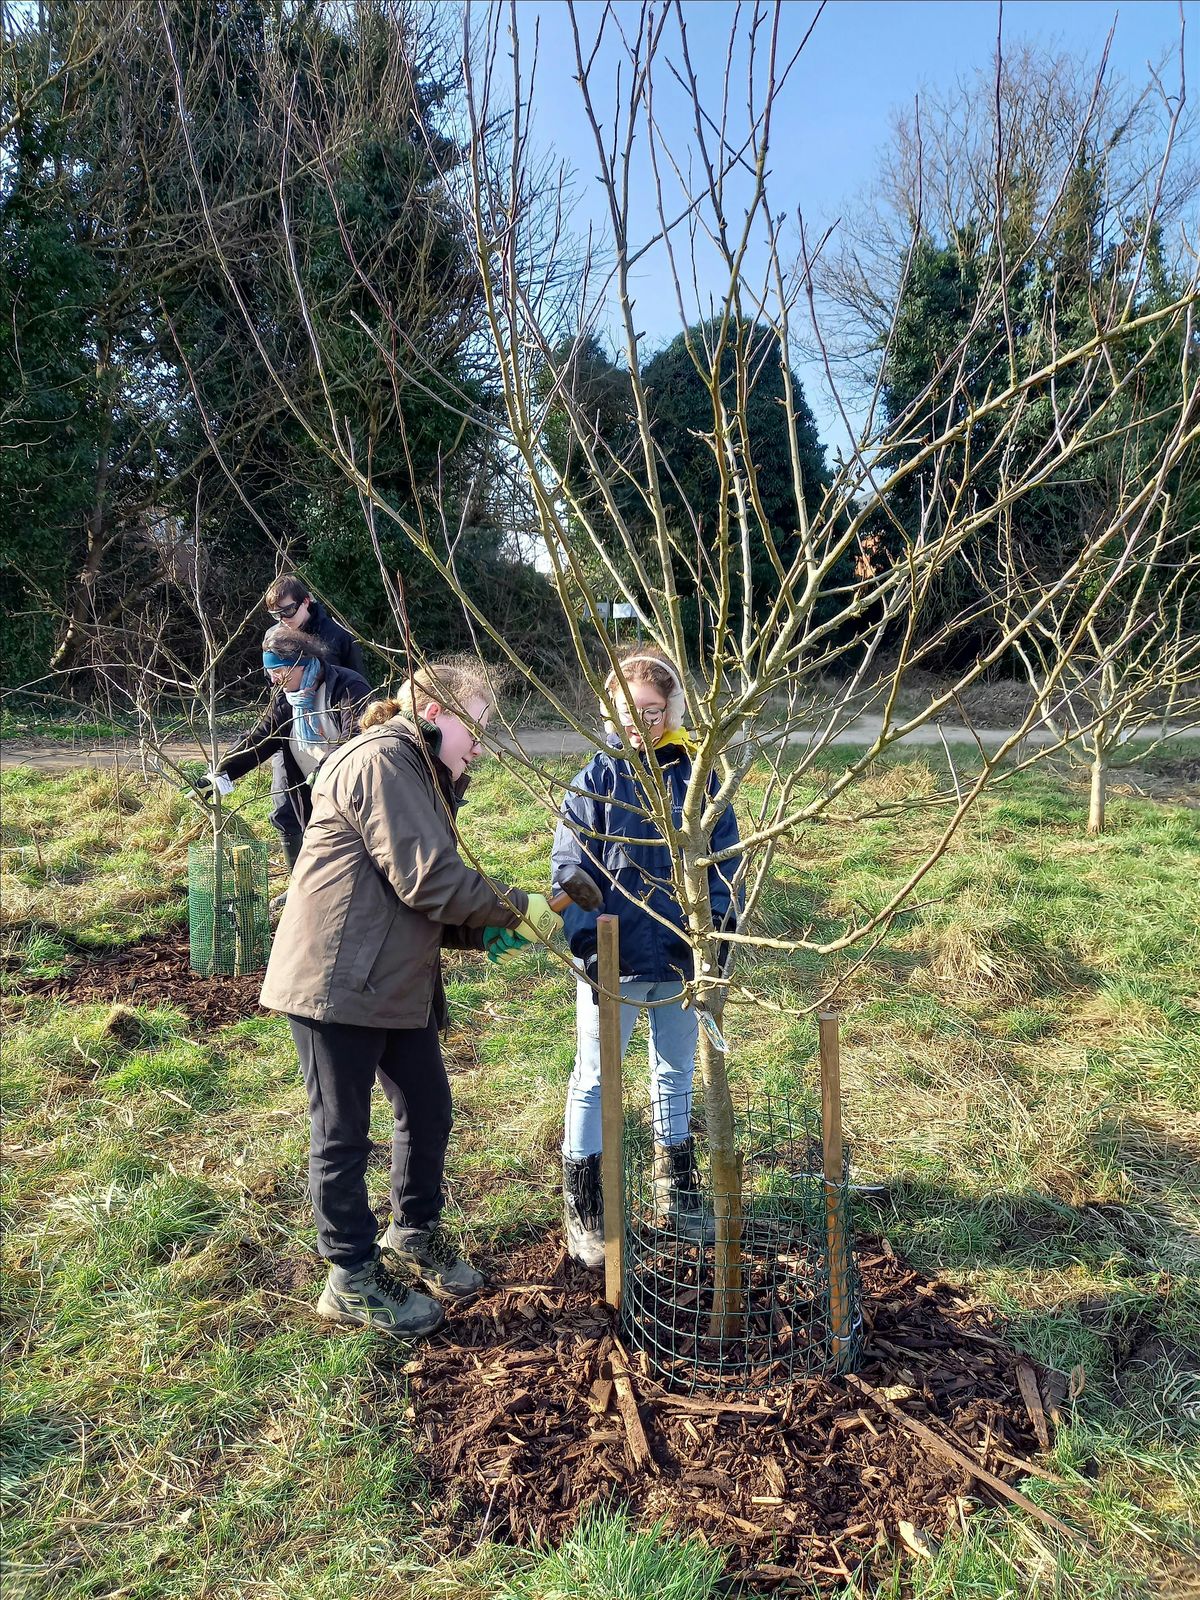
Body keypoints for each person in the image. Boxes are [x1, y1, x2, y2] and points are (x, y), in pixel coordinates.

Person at [259, 660, 563, 1337]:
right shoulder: (383, 762)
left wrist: (488, 931)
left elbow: (417, 893)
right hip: (336, 978)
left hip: (393, 975)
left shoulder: (423, 773)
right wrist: (518, 910)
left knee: (426, 1106)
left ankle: (414, 1234)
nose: (481, 745)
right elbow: (430, 879)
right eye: (475, 728)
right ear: (432, 713)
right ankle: (350, 1277)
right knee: (341, 1131)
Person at [549, 649, 742, 1268]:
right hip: (616, 960)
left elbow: (725, 860)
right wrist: (590, 945)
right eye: (629, 714)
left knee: (674, 1072)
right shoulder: (594, 780)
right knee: (596, 1077)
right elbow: (571, 872)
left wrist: (715, 934)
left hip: (685, 960)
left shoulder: (701, 775)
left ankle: (674, 1185)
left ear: (673, 708)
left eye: (654, 712)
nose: (641, 725)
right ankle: (585, 1202)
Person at [199, 625, 372, 868]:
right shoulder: (285, 698)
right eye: (269, 673)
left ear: (299, 664)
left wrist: (325, 770)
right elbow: (259, 739)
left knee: (351, 850)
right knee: (310, 841)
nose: (273, 680)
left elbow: (355, 737)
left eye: (278, 671)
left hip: (350, 787)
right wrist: (219, 773)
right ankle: (301, 888)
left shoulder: (348, 686)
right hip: (309, 788)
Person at [261, 576, 365, 875]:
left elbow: (358, 696)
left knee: (334, 814)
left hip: (332, 737)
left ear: (306, 601)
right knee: (285, 806)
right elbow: (275, 701)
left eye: (287, 611)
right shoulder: (273, 635)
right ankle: (299, 880)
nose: (282, 620)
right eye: (275, 615)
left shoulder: (338, 637)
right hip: (294, 732)